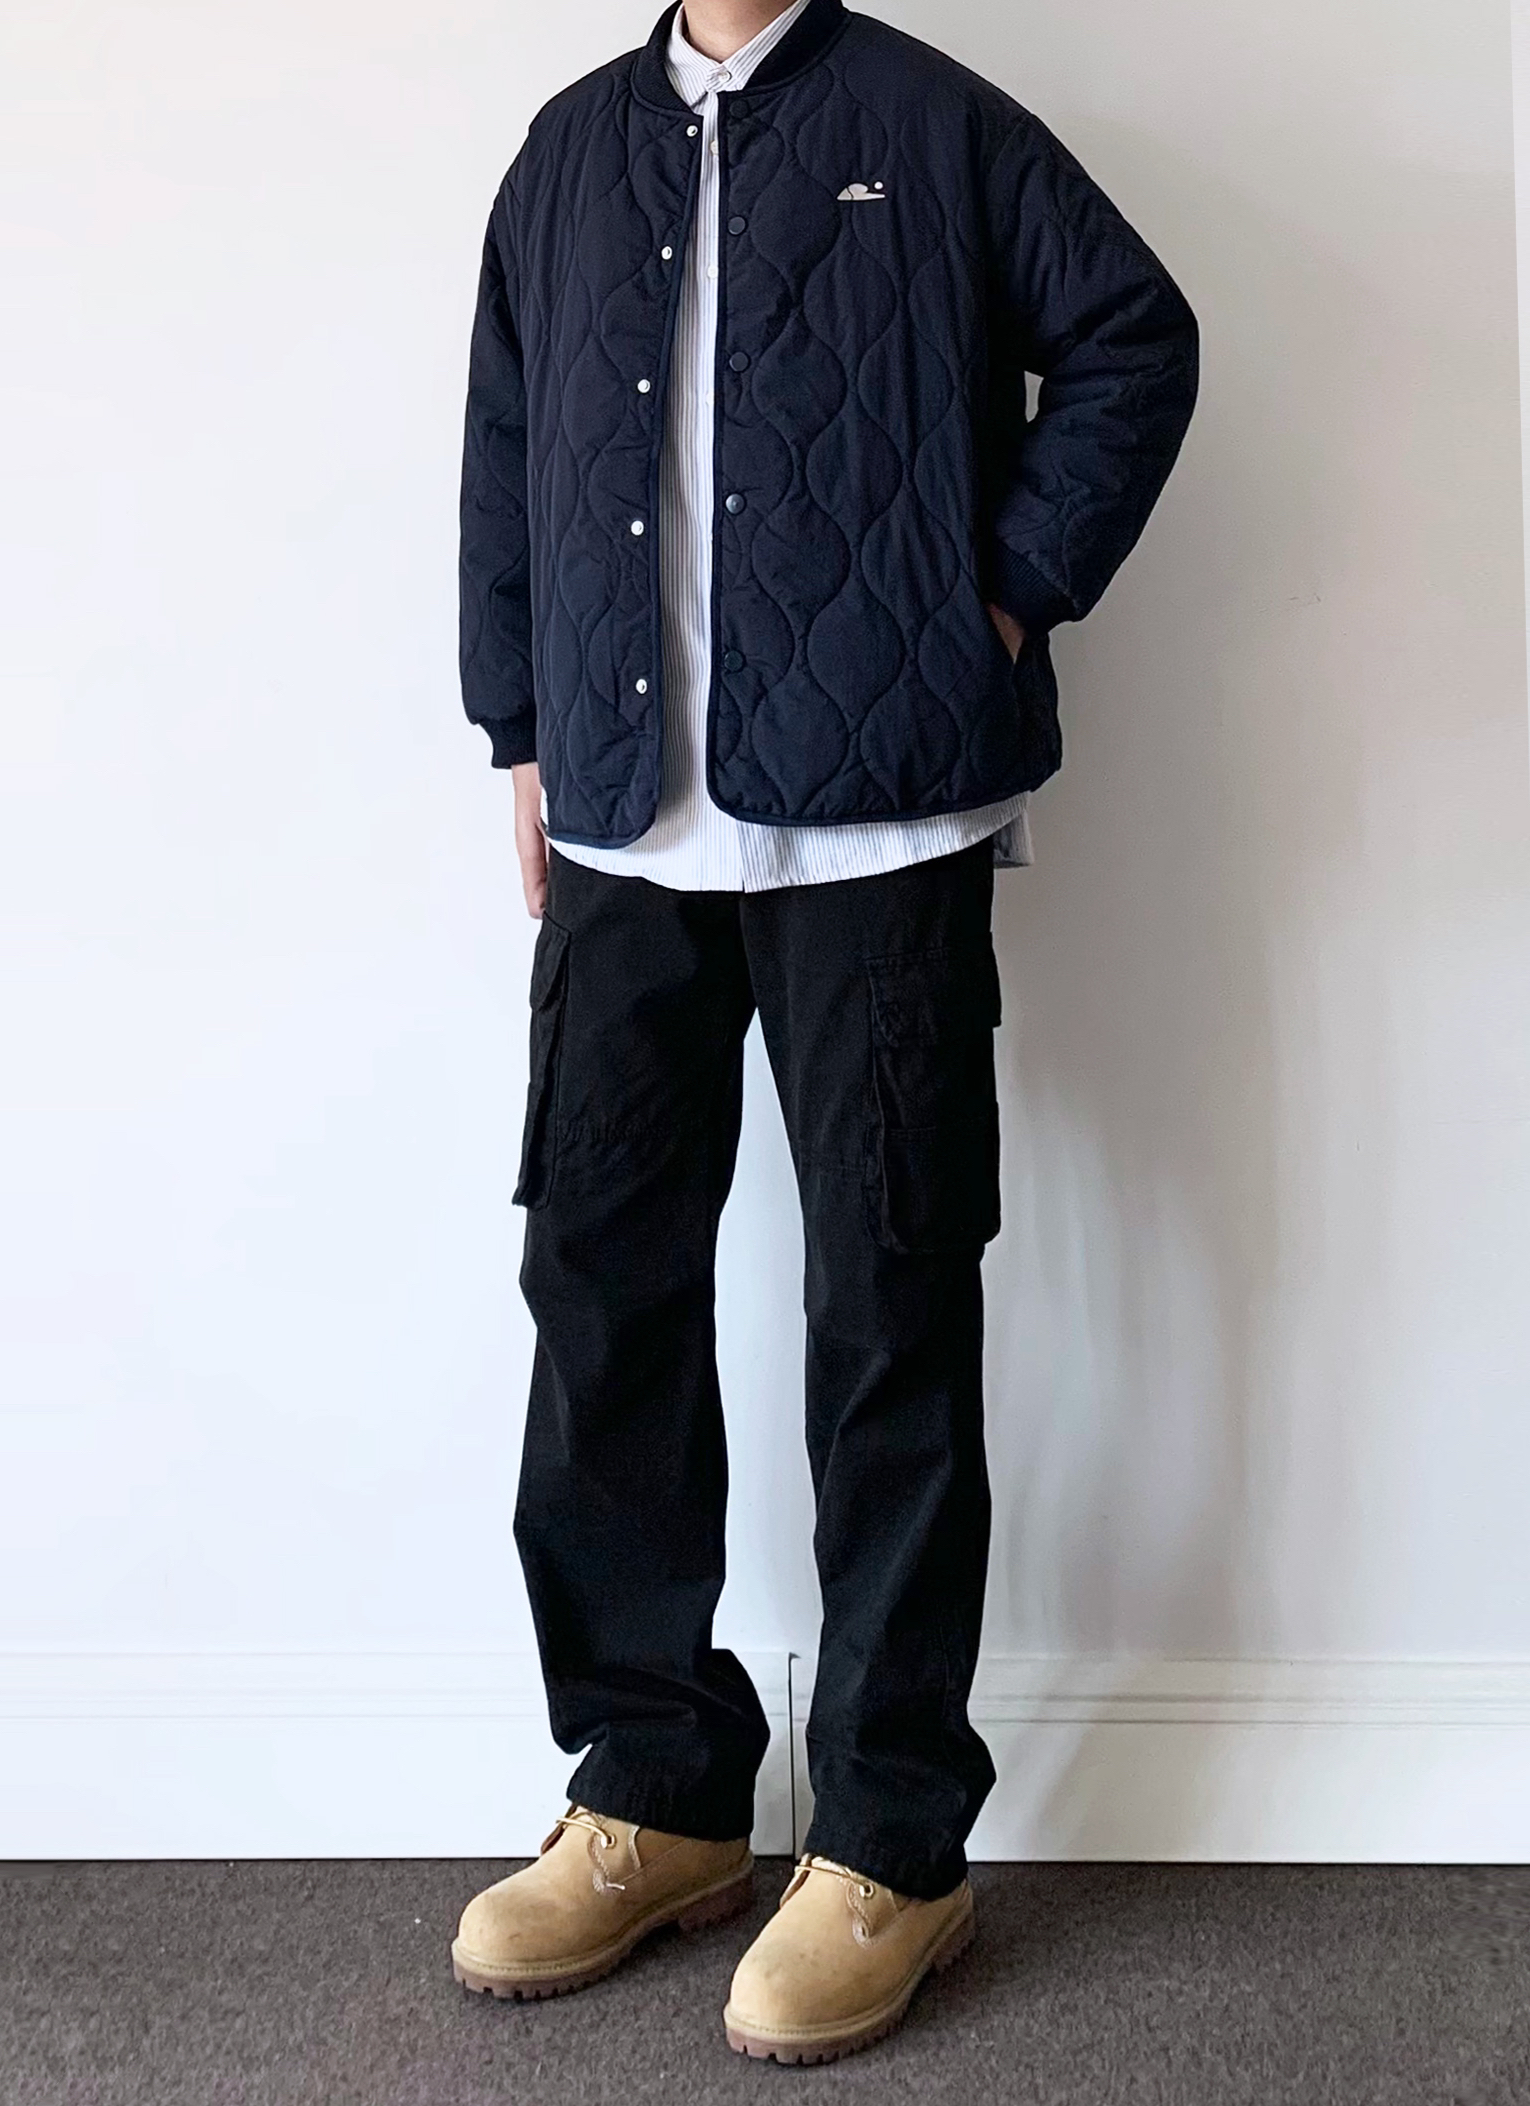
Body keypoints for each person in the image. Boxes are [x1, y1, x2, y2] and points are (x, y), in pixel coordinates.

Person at [451, 0, 1198, 2064]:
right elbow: (505, 441)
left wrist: (1004, 589)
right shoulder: (566, 153)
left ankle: (888, 1838)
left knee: (888, 1307)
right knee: (599, 1290)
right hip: (625, 824)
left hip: (882, 828)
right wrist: (516, 725)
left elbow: (1135, 338)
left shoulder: (934, 124)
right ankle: (656, 1784)